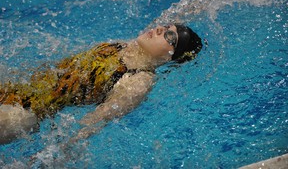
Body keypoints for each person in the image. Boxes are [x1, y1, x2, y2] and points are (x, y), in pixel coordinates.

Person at [0, 22, 202, 144]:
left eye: (169, 36)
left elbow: (94, 121)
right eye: (165, 26)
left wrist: (57, 152)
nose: (159, 28)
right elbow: (186, 7)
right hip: (18, 88)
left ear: (169, 57)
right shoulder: (129, 45)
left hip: (25, 112)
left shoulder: (138, 81)